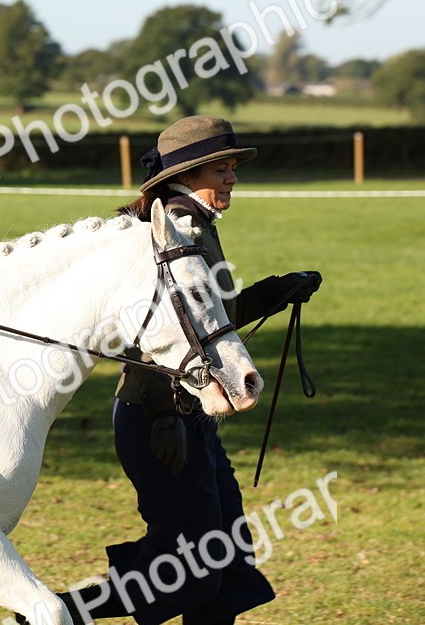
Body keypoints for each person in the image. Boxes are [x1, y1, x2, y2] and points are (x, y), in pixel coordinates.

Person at [24, 116, 322, 625]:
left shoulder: (194, 222)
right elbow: (154, 334)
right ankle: (51, 615)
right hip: (157, 416)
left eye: (233, 167)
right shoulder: (175, 227)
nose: (232, 178)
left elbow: (205, 324)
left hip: (193, 412)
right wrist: (165, 417)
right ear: (191, 171)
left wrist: (275, 292)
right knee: (189, 574)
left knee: (226, 566)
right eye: (222, 168)